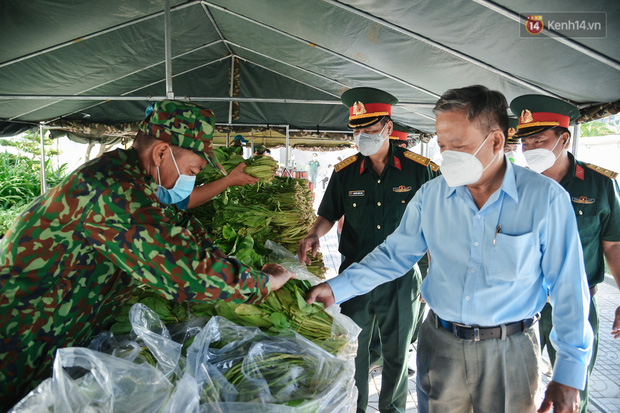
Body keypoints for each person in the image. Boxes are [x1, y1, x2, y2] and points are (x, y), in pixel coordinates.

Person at [306, 85, 594, 413]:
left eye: (458, 145)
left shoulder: (545, 199)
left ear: (497, 141)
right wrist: (335, 288)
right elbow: (394, 255)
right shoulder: (432, 196)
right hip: (440, 346)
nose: (447, 156)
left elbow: (569, 288)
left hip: (509, 351)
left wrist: (570, 373)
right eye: (443, 146)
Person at [0, 100, 294, 410]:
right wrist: (263, 283)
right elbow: (179, 271)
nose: (193, 178)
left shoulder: (131, 180)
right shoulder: (111, 189)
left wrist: (228, 262)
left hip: (50, 330)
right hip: (18, 336)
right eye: (193, 169)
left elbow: (178, 225)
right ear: (161, 153)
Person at [298, 87, 435, 413]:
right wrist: (313, 234)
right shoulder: (345, 172)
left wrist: (435, 276)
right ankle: (356, 407)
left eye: (369, 130)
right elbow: (328, 214)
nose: (362, 137)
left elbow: (435, 225)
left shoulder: (420, 169)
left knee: (397, 354)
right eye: (357, 130)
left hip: (402, 278)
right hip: (353, 274)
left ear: (388, 127)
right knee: (354, 348)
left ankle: (393, 409)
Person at [511, 94, 620, 413]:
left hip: (577, 301)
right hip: (519, 302)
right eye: (525, 142)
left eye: (538, 140)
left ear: (564, 138)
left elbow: (613, 245)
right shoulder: (511, 184)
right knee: (516, 389)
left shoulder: (599, 185)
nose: (529, 149)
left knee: (573, 393)